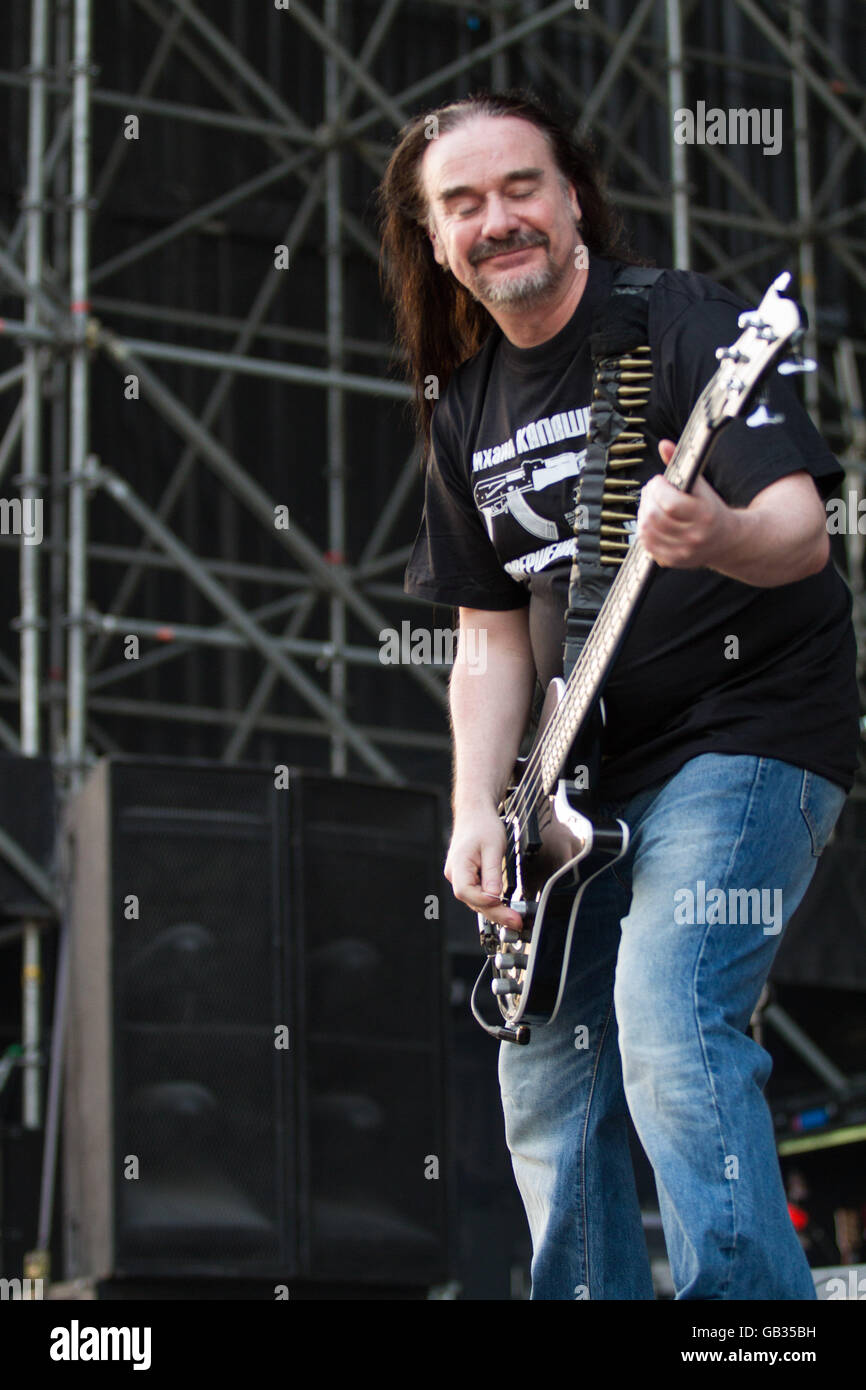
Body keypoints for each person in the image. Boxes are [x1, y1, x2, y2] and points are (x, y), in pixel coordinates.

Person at [377, 90, 860, 1300]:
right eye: (463, 204)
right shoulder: (464, 404)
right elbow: (488, 639)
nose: (498, 219)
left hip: (741, 737)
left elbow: (801, 535)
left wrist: (714, 532)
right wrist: (475, 809)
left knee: (665, 1010)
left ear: (573, 195)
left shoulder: (684, 321)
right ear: (435, 239)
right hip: (574, 781)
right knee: (542, 1071)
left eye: (520, 186)